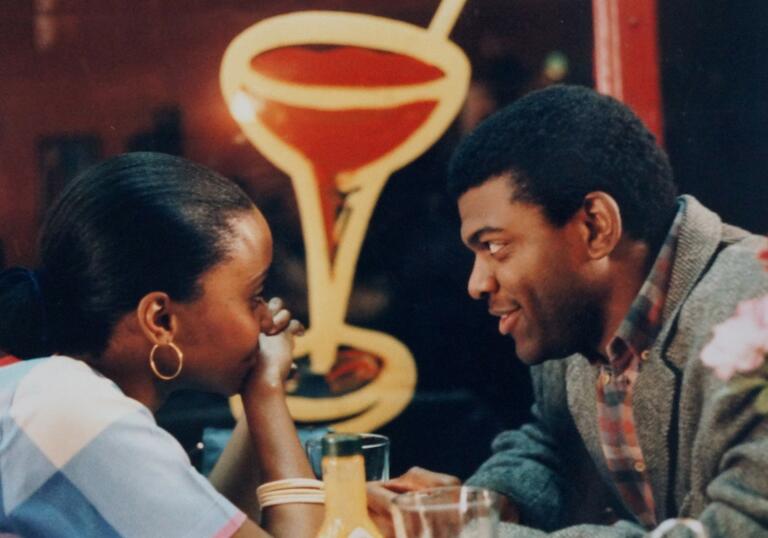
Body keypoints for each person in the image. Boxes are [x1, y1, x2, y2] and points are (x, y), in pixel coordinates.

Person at [368, 85, 768, 536]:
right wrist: (478, 506)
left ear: (596, 226)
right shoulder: (573, 321)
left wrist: (471, 536)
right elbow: (554, 441)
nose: (477, 283)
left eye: (496, 246)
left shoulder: (755, 316)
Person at [0, 152, 323, 537]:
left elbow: (204, 526)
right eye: (254, 295)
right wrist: (267, 392)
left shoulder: (58, 394)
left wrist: (259, 397)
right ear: (161, 320)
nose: (267, 319)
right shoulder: (72, 407)